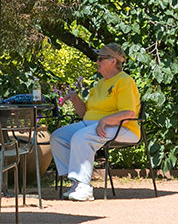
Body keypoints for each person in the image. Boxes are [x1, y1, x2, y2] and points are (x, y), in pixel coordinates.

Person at [50, 43, 140, 202]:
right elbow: (86, 114)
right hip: (94, 124)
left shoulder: (124, 81)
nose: (97, 61)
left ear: (113, 61)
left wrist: (104, 120)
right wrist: (75, 98)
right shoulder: (100, 83)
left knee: (81, 137)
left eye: (101, 58)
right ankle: (76, 182)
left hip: (123, 127)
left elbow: (129, 113)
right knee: (58, 136)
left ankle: (84, 187)